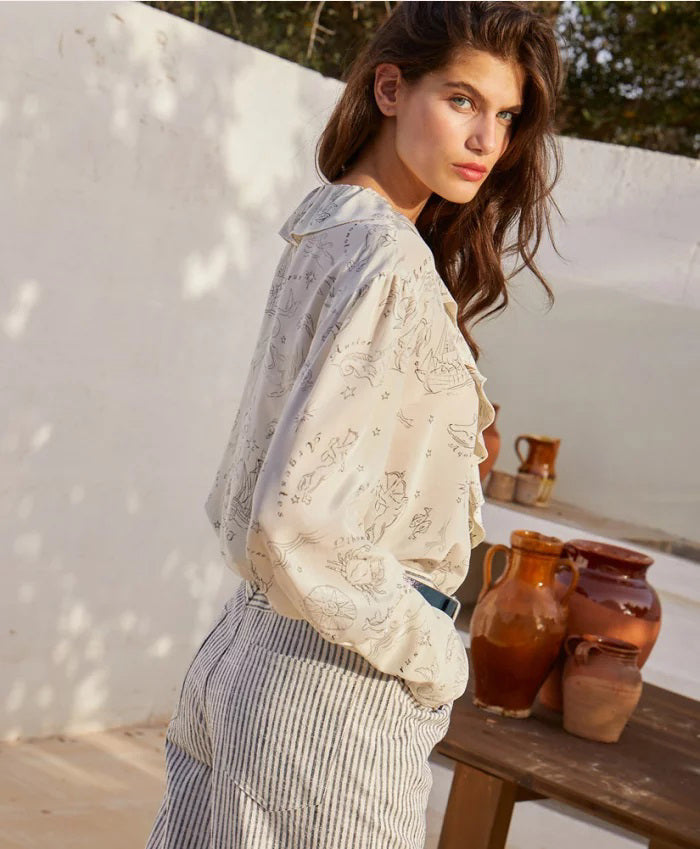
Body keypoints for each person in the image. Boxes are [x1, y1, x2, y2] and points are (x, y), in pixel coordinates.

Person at [145, 2, 563, 847]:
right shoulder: (391, 267)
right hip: (333, 694)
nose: (488, 139)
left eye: (506, 116)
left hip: (247, 652)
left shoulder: (327, 231)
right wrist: (436, 654)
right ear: (388, 88)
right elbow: (292, 518)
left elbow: (247, 491)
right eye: (461, 101)